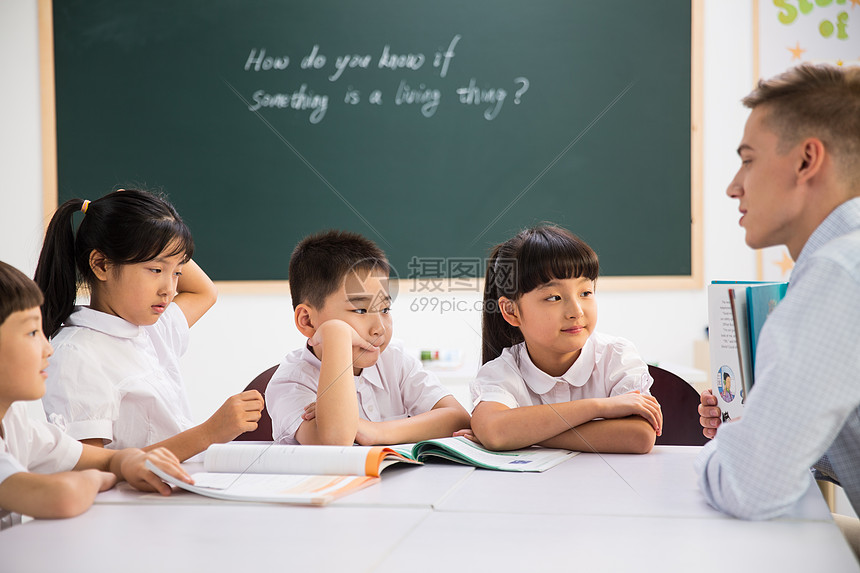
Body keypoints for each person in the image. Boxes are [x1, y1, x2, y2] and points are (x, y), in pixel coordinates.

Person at [696, 64, 860, 553]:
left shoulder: (840, 270)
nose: (733, 186)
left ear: (807, 160)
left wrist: (726, 448)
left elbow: (750, 487)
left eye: (748, 159)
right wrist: (762, 420)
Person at [34, 189, 263, 461]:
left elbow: (205, 292)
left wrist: (155, 232)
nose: (169, 289)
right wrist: (208, 434)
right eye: (156, 270)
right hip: (131, 502)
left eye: (177, 272)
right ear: (101, 264)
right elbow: (88, 468)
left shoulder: (153, 327)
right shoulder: (77, 354)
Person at [0, 260, 192, 529]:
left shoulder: (14, 422)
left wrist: (125, 462)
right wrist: (99, 478)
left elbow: (101, 458)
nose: (48, 349)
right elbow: (62, 497)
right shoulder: (78, 351)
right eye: (32, 332)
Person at [265, 230, 470, 445]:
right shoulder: (291, 382)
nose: (379, 328)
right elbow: (334, 442)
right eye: (360, 311)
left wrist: (374, 431)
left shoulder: (394, 360)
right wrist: (336, 335)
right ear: (307, 321)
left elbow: (458, 419)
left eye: (385, 309)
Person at [469, 225, 662, 452]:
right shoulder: (502, 371)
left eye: (585, 293)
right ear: (511, 311)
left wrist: (525, 435)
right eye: (554, 297)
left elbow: (638, 437)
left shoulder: (616, 355)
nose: (576, 311)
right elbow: (496, 431)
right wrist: (599, 408)